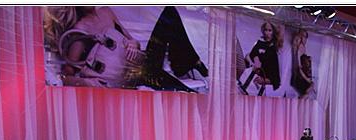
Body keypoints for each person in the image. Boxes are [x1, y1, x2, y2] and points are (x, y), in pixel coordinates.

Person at [43, 6, 208, 92]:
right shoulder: (80, 31)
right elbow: (68, 74)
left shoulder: (106, 12)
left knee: (169, 12)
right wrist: (93, 83)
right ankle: (188, 64)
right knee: (183, 92)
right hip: (131, 77)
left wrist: (133, 44)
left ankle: (187, 63)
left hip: (142, 62)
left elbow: (132, 40)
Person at [240, 21, 282, 95]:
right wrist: (254, 60)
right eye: (266, 30)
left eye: (270, 30)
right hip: (247, 79)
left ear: (273, 32)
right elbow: (249, 56)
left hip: (259, 86)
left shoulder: (274, 49)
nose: (267, 33)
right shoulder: (259, 43)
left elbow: (275, 78)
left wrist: (264, 80)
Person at [290, 28, 314, 98]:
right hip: (298, 77)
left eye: (305, 36)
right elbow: (299, 68)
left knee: (310, 88)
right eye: (301, 36)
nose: (303, 38)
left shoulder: (303, 48)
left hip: (301, 76)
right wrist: (307, 79)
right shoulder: (298, 48)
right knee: (308, 91)